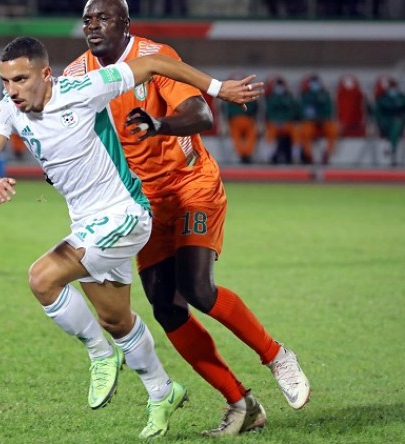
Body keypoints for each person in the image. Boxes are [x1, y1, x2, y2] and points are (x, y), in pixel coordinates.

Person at [0, 36, 259, 440]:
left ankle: (100, 354)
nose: (12, 89)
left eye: (20, 79)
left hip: (126, 214)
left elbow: (155, 63)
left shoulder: (84, 88)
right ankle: (162, 391)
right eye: (5, 81)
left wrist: (216, 88)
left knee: (42, 278)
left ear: (45, 74)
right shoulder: (9, 109)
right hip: (88, 226)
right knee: (116, 320)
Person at [65, 0, 310, 436]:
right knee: (166, 307)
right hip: (141, 203)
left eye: (104, 17)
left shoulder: (155, 57)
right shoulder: (75, 76)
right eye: (88, 19)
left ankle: (276, 356)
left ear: (125, 24)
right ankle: (241, 404)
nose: (93, 25)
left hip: (190, 184)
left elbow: (201, 114)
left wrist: (159, 124)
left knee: (198, 287)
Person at [373, 76, 405, 166]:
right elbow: (376, 112)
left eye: (394, 87)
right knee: (393, 125)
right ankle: (392, 149)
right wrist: (380, 120)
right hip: (385, 123)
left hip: (400, 122)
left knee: (397, 124)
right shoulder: (382, 98)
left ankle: (390, 148)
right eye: (391, 87)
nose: (392, 90)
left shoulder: (403, 98)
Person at [296, 74, 338, 164]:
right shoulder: (305, 95)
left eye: (316, 82)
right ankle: (309, 156)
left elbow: (329, 110)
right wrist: (312, 118)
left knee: (333, 130)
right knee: (305, 131)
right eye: (313, 83)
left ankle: (327, 154)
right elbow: (302, 111)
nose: (315, 85)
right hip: (310, 122)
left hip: (323, 122)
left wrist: (322, 118)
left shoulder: (325, 95)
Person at [221, 74, 259, 164]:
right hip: (234, 121)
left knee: (252, 134)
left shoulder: (250, 95)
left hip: (248, 120)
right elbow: (224, 112)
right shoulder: (228, 95)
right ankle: (241, 155)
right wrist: (224, 124)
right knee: (235, 136)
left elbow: (256, 111)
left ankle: (248, 154)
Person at [265, 76, 300, 164]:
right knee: (270, 132)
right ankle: (268, 156)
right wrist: (276, 121)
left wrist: (285, 121)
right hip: (274, 124)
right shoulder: (271, 97)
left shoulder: (289, 97)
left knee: (296, 132)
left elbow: (293, 112)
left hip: (287, 123)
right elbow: (269, 113)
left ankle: (296, 156)